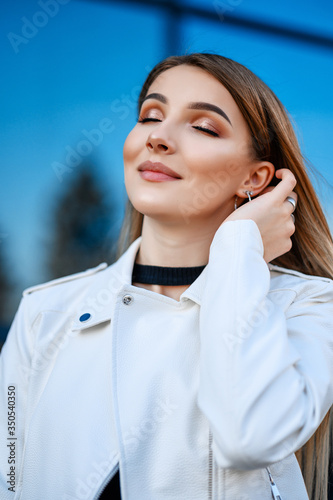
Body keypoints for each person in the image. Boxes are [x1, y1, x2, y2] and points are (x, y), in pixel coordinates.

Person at [0, 53, 332, 500]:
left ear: (255, 177)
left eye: (203, 127)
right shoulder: (44, 312)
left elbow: (250, 435)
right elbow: (10, 475)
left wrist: (241, 247)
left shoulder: (310, 305)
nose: (158, 136)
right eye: (150, 116)